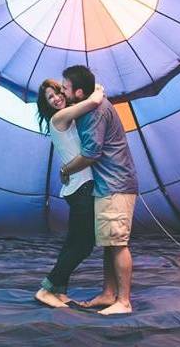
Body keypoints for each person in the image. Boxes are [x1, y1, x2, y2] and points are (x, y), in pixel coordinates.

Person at [58, 65, 139, 315]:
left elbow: (91, 154)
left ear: (79, 93)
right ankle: (108, 294)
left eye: (65, 89)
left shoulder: (94, 113)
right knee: (109, 242)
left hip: (115, 184)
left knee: (118, 243)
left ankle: (123, 302)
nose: (61, 93)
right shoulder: (92, 104)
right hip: (109, 184)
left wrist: (66, 170)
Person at [34, 79, 105, 308]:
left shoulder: (67, 117)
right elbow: (93, 101)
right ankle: (46, 289)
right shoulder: (59, 118)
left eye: (58, 92)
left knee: (74, 242)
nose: (57, 98)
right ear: (46, 105)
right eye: (50, 98)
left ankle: (59, 289)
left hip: (79, 187)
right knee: (84, 244)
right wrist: (98, 87)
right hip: (81, 189)